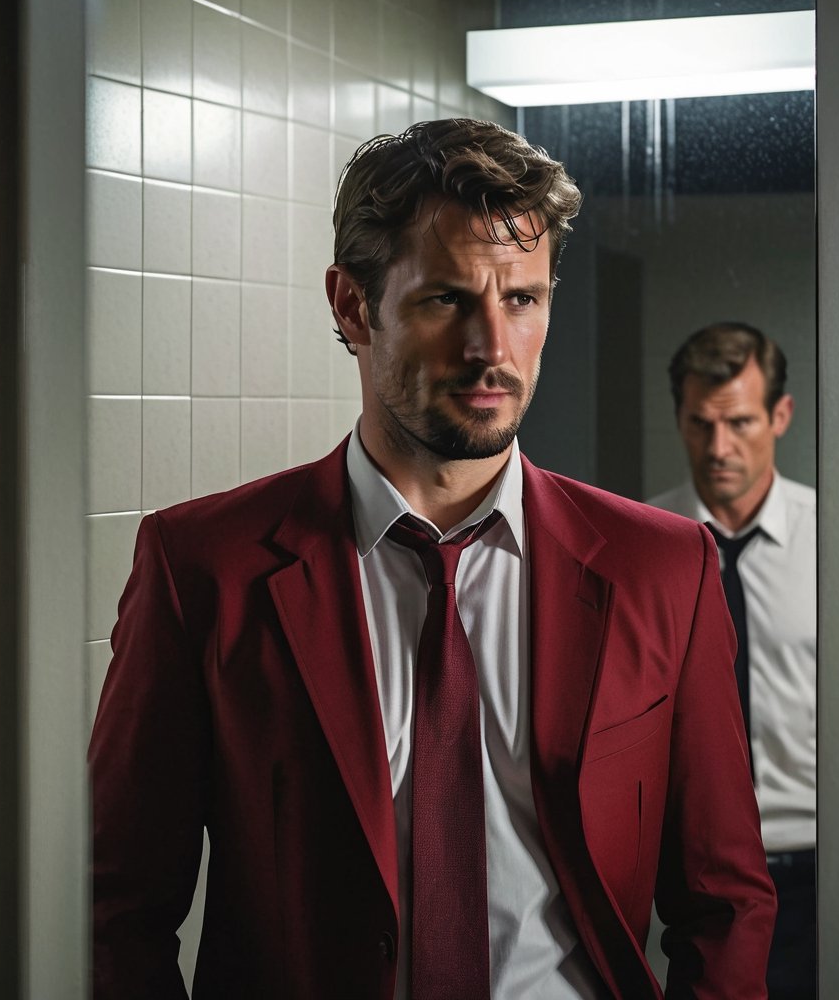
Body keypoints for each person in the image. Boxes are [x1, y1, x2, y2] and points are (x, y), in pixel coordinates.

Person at [89, 120, 775, 1000]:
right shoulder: (202, 568)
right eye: (447, 300)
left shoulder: (662, 567)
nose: (491, 347)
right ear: (351, 306)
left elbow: (724, 904)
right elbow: (117, 910)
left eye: (520, 300)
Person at [648, 323, 816, 1000]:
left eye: (740, 422)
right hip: (691, 873)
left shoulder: (836, 542)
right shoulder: (644, 545)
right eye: (700, 424)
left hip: (812, 862)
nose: (719, 448)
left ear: (781, 415)